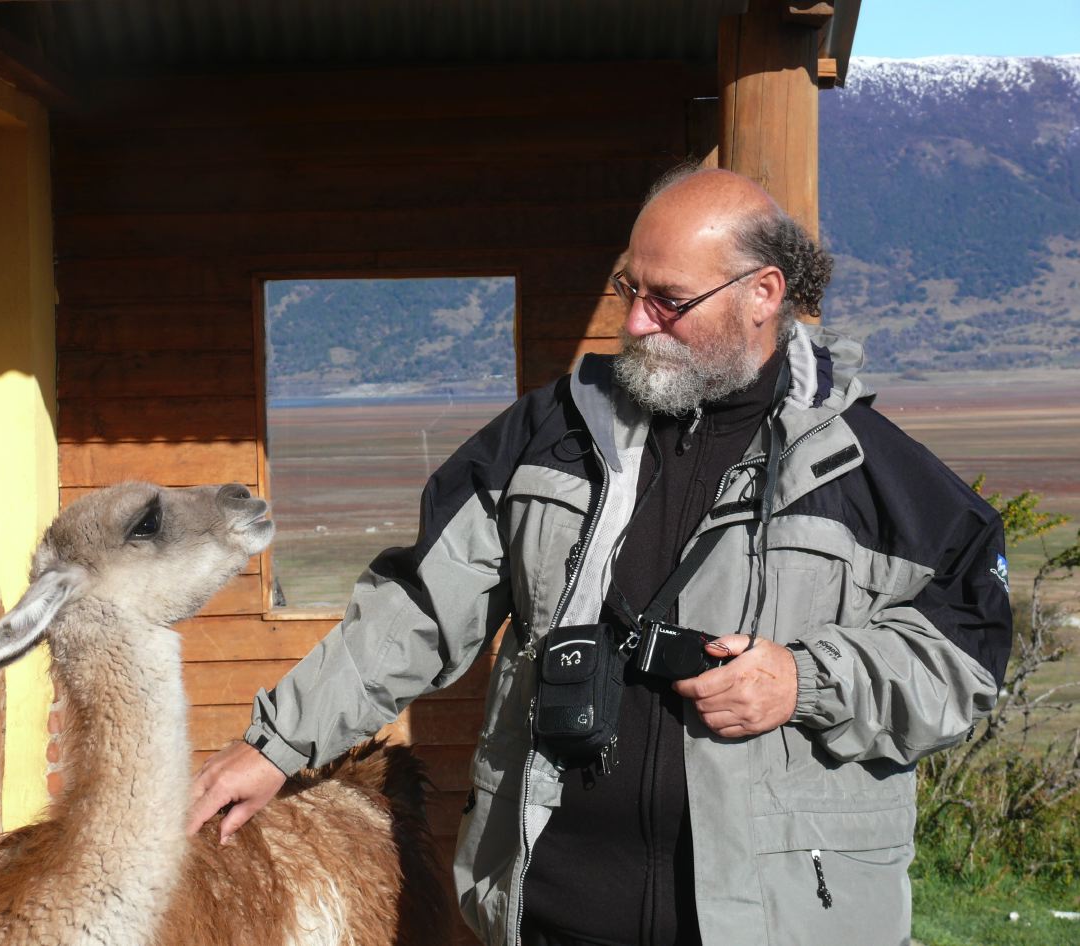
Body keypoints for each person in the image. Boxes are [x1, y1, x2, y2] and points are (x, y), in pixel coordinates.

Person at [187, 167, 1013, 946]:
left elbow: (964, 660)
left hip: (777, 923)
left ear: (763, 294)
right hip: (551, 914)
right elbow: (419, 611)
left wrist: (806, 680)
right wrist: (277, 744)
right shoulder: (546, 436)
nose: (637, 323)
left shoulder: (874, 473)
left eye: (670, 300)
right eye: (629, 288)